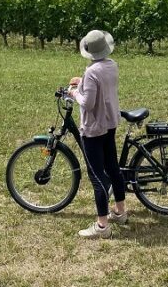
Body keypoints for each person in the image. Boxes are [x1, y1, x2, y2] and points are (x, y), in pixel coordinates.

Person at [68, 30, 128, 239]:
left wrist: (75, 92)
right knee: (113, 168)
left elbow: (88, 102)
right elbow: (98, 84)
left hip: (94, 129)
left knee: (97, 176)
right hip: (110, 123)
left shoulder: (92, 72)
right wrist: (82, 80)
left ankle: (102, 225)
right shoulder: (111, 65)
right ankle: (120, 211)